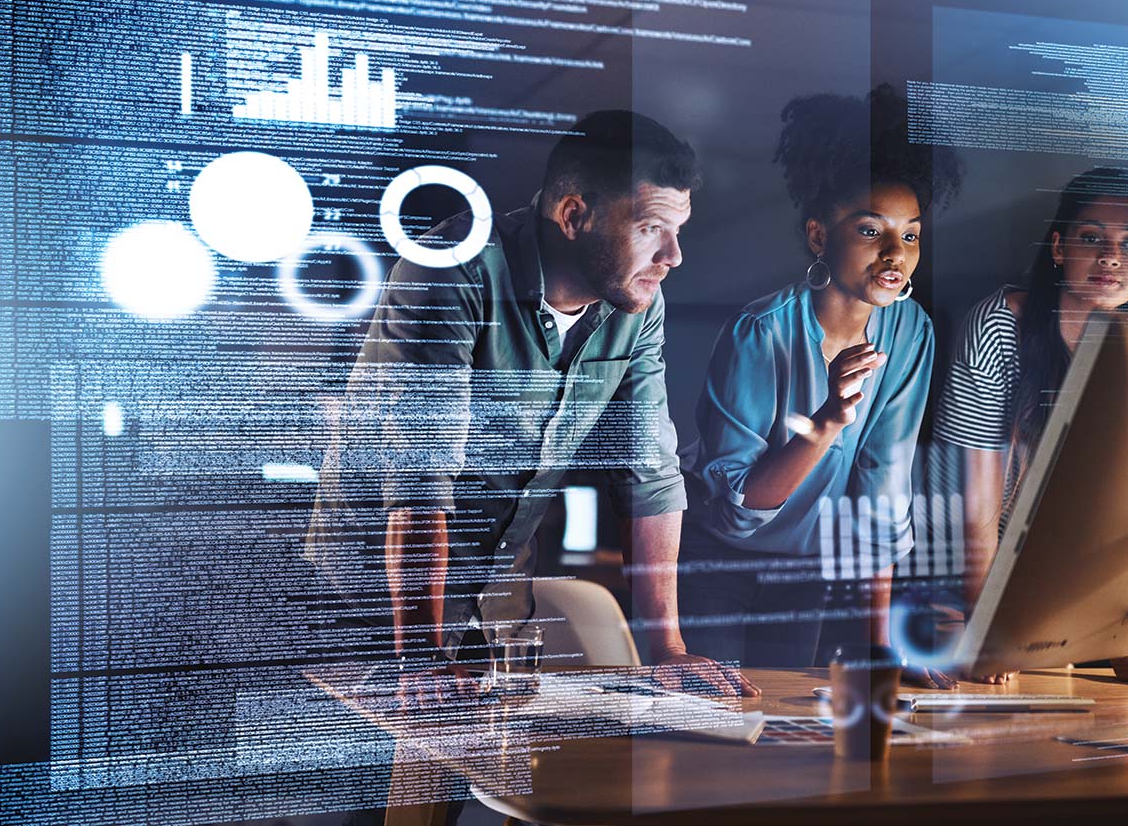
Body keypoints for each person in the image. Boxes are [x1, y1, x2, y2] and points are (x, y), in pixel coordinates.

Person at [307, 109, 754, 705]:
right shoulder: (455, 268)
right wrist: (419, 656)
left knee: (502, 792)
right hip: (379, 611)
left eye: (680, 231)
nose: (673, 255)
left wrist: (667, 646)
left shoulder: (639, 302)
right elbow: (419, 481)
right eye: (651, 228)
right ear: (574, 216)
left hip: (500, 613)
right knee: (384, 788)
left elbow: (649, 473)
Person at [677, 85, 963, 687]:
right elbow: (740, 506)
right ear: (817, 238)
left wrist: (880, 647)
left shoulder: (910, 331)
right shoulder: (760, 332)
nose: (896, 253)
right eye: (870, 231)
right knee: (712, 739)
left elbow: (884, 490)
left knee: (778, 740)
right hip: (718, 564)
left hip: (808, 567)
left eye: (910, 235)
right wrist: (830, 417)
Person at [932, 166, 1128, 685]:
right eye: (1091, 238)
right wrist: (990, 632)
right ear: (1058, 248)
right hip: (964, 586)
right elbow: (972, 507)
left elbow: (1119, 509)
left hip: (1063, 604)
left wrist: (1122, 642)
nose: (1111, 257)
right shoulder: (1000, 324)